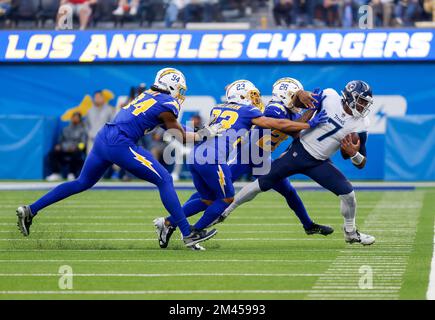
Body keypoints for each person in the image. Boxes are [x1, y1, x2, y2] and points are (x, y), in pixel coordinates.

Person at [16, 68, 223, 249]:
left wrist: (200, 132)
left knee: (82, 182)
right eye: (180, 89)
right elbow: (180, 135)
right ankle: (188, 233)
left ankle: (31, 210)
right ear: (171, 85)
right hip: (120, 143)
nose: (181, 94)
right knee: (164, 179)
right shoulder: (168, 104)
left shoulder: (149, 95)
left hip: (104, 138)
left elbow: (170, 127)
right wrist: (206, 133)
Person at [154, 78, 333, 249]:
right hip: (246, 156)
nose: (299, 102)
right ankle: (175, 223)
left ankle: (308, 225)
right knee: (212, 195)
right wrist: (310, 117)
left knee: (288, 191)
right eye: (295, 96)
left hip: (262, 158)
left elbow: (297, 130)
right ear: (286, 95)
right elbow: (289, 128)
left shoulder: (290, 111)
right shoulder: (275, 108)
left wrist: (310, 108)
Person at [213, 80, 376, 246]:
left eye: (365, 102)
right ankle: (223, 213)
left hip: (319, 162)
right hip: (298, 152)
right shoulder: (329, 96)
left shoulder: (362, 124)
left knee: (348, 194)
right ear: (349, 96)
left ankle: (350, 232)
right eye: (361, 100)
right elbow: (298, 103)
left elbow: (361, 162)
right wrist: (300, 94)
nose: (363, 106)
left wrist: (354, 154)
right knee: (261, 184)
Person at [46, 112, 87, 182]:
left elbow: (83, 143)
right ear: (71, 119)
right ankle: (56, 173)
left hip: (75, 151)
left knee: (77, 154)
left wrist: (77, 147)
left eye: (77, 118)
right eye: (74, 117)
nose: (75, 119)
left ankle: (72, 173)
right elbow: (60, 141)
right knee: (52, 153)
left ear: (80, 119)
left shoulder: (82, 130)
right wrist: (59, 146)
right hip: (64, 150)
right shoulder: (65, 129)